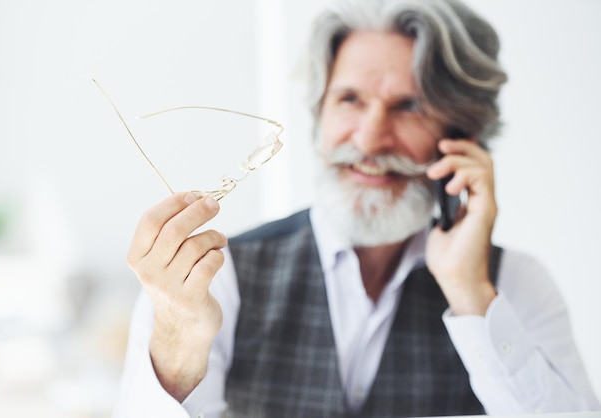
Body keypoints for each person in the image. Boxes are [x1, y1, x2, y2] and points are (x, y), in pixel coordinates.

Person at [113, 0, 600, 417]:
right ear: (319, 114)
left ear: (462, 138)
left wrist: (472, 294)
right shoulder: (212, 281)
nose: (369, 139)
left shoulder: (515, 287)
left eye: (409, 106)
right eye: (350, 99)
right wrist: (179, 339)